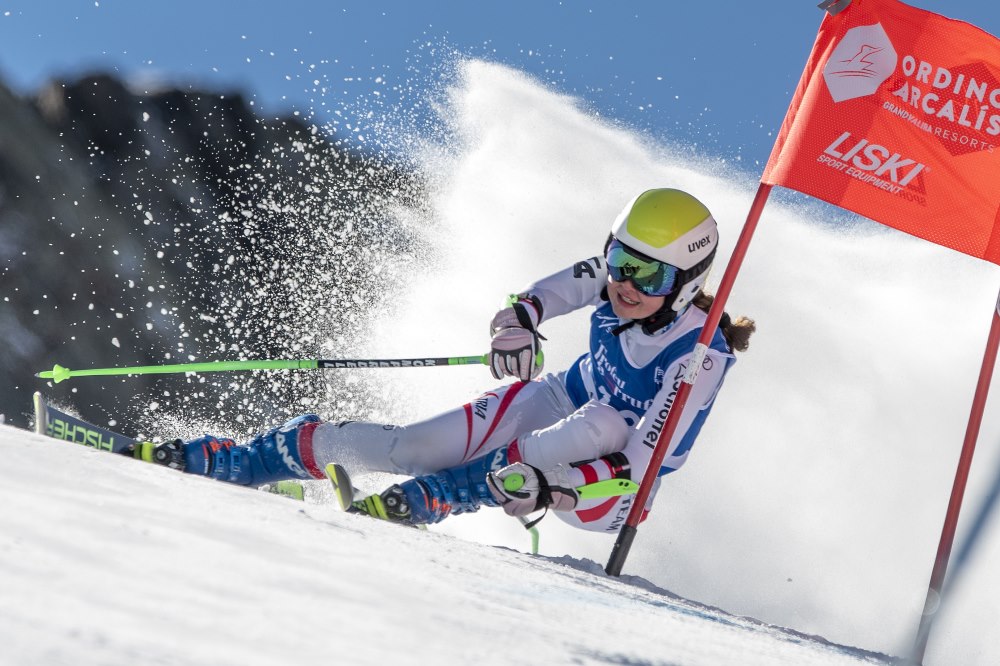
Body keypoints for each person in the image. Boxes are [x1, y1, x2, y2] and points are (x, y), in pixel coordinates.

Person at [144, 188, 755, 532]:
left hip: (611, 492)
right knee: (413, 445)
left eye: (648, 273)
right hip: (566, 403)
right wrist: (517, 324)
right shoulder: (614, 277)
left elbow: (644, 464)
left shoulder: (698, 355)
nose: (626, 282)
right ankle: (249, 456)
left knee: (603, 425)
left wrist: (555, 488)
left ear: (686, 279)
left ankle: (446, 494)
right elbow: (541, 296)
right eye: (621, 259)